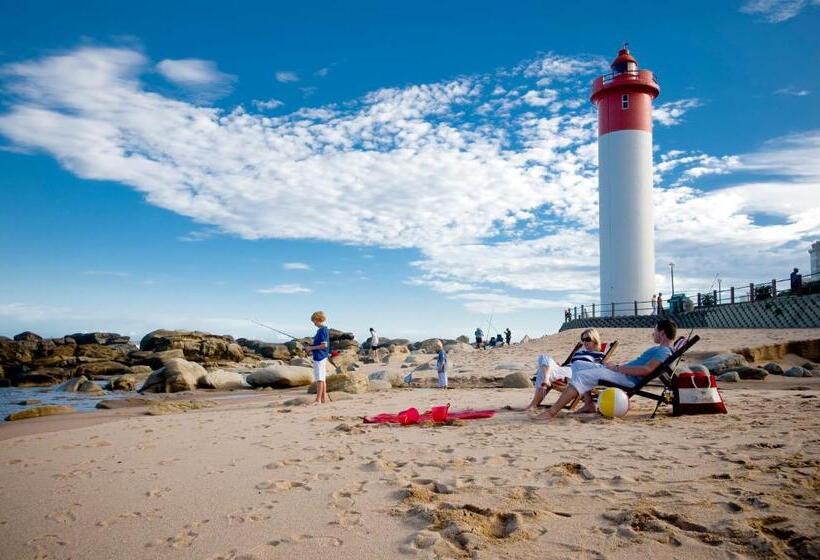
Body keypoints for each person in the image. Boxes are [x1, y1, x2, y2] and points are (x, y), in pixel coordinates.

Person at [535, 319, 677, 421]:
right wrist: (616, 367)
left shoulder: (663, 351)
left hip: (627, 378)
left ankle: (552, 412)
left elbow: (646, 370)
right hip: (622, 372)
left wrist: (617, 368)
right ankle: (589, 404)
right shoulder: (660, 349)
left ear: (662, 333)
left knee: (582, 376)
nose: (653, 334)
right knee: (578, 366)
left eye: (655, 331)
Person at [522, 328, 605, 410]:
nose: (584, 342)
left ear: (594, 339)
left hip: (574, 374)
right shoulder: (580, 352)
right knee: (543, 357)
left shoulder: (598, 354)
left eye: (587, 339)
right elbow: (569, 363)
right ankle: (546, 380)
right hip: (565, 370)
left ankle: (533, 404)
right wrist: (560, 366)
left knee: (542, 372)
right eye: (583, 339)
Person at [304, 311, 329, 404]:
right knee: (322, 378)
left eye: (314, 321)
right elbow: (320, 344)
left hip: (320, 357)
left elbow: (324, 345)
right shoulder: (321, 330)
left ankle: (318, 400)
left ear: (318, 319)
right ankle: (323, 399)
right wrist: (311, 346)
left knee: (319, 379)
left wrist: (310, 348)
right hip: (320, 356)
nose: (313, 323)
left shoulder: (323, 330)